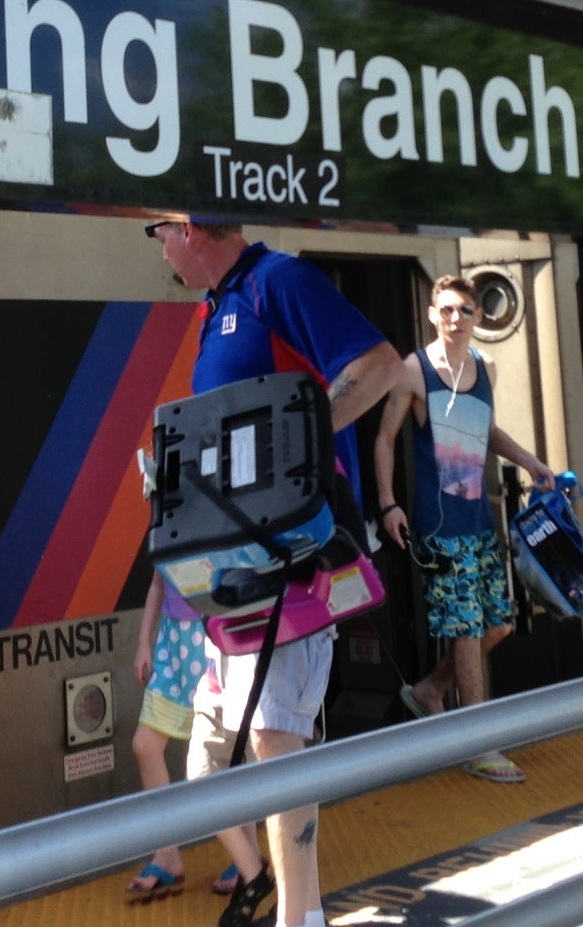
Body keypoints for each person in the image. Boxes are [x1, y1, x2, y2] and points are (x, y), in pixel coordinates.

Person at [146, 219, 401, 927]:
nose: (158, 246)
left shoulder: (276, 283)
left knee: (274, 734)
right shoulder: (219, 307)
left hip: (293, 554)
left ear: (190, 229)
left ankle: (300, 917)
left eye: (158, 230)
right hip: (238, 563)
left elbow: (380, 366)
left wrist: (301, 450)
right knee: (244, 743)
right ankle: (292, 905)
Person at [373, 275, 554, 783]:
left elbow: (487, 430)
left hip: (478, 520)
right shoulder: (414, 370)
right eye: (447, 310)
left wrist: (532, 462)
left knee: (499, 624)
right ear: (433, 315)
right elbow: (385, 438)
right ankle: (480, 746)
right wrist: (389, 504)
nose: (456, 319)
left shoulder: (485, 368)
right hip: (439, 527)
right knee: (469, 630)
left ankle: (430, 689)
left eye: (466, 311)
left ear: (477, 318)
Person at [124, 571, 263, 903]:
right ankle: (167, 854)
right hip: (172, 642)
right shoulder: (163, 517)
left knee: (231, 751)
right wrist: (144, 641)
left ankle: (248, 856)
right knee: (145, 746)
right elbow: (158, 581)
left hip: (214, 633)